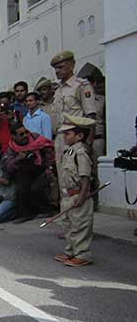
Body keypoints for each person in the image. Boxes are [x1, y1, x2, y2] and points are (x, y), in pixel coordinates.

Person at [54, 114, 96, 267]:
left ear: (79, 136)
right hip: (67, 196)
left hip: (78, 195)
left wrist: (83, 195)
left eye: (68, 133)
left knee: (80, 226)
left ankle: (82, 254)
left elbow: (85, 176)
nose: (64, 136)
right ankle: (71, 251)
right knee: (68, 226)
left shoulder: (80, 152)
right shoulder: (69, 151)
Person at [3, 122, 56, 224]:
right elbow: (8, 167)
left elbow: (49, 149)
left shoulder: (35, 138)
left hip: (41, 168)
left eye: (25, 132)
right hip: (24, 172)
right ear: (13, 136)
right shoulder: (12, 148)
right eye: (21, 134)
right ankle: (25, 214)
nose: (25, 136)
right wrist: (18, 158)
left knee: (36, 187)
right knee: (22, 186)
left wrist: (49, 167)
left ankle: (47, 210)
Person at [51, 51, 96, 166]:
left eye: (61, 67)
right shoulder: (58, 90)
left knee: (77, 172)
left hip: (75, 137)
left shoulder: (81, 85)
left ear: (71, 65)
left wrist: (89, 140)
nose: (57, 71)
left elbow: (90, 115)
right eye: (55, 68)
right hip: (60, 138)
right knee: (63, 175)